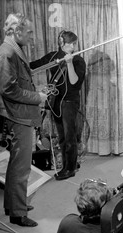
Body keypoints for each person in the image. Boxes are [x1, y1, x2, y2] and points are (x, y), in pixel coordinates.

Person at [0, 13, 48, 227]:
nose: (32, 36)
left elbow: (16, 85)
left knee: (17, 164)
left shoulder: (12, 50)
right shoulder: (7, 53)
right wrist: (37, 97)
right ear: (16, 31)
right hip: (18, 116)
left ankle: (13, 204)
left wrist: (36, 91)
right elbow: (9, 90)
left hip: (19, 114)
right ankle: (17, 213)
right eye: (29, 32)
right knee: (21, 167)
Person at [30, 30, 86, 181]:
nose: (74, 47)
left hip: (69, 102)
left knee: (70, 136)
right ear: (62, 43)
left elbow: (74, 82)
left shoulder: (78, 60)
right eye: (70, 44)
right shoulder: (52, 57)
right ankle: (70, 163)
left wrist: (69, 63)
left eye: (75, 43)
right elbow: (35, 65)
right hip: (55, 101)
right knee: (61, 136)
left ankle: (70, 168)